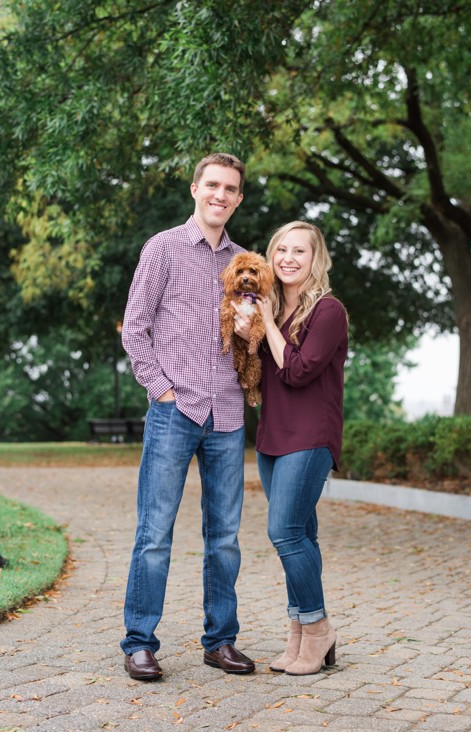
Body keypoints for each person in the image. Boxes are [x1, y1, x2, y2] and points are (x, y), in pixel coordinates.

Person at [120, 152, 255, 681]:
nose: (220, 195)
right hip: (176, 413)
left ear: (239, 199)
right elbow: (136, 328)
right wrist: (161, 390)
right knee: (155, 533)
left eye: (230, 189)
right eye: (213, 185)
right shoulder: (163, 248)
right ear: (195, 189)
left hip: (227, 415)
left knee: (224, 537)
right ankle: (139, 642)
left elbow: (252, 339)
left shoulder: (247, 264)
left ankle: (220, 641)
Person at [234, 221, 348, 676]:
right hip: (272, 438)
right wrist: (247, 334)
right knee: (304, 537)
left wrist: (264, 324)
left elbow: (298, 371)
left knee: (284, 533)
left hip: (311, 436)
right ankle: (299, 634)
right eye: (280, 249)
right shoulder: (272, 308)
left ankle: (319, 630)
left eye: (298, 251)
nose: (287, 258)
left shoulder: (328, 310)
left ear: (314, 258)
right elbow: (259, 372)